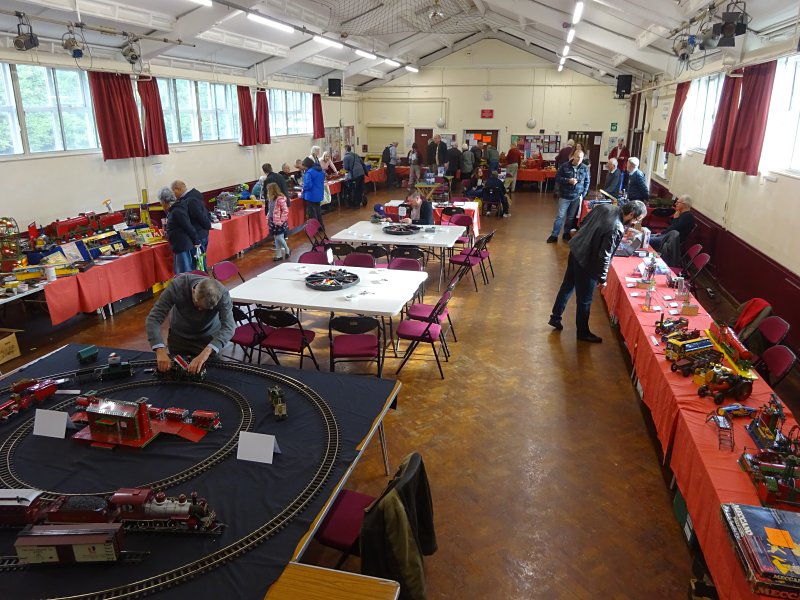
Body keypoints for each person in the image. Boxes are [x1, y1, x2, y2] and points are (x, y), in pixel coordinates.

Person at [548, 200, 648, 343]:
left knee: (567, 286)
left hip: (576, 249)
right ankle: (583, 332)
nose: (635, 223)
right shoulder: (617, 227)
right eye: (637, 219)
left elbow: (584, 223)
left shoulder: (605, 207)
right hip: (587, 262)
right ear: (631, 214)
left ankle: (555, 317)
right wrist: (603, 278)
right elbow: (604, 255)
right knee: (585, 300)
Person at [146, 273, 234, 374]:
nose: (199, 310)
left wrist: (206, 353)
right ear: (193, 291)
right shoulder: (178, 286)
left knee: (213, 375)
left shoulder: (223, 294)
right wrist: (160, 350)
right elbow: (154, 318)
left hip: (207, 340)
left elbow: (229, 327)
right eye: (197, 305)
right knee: (177, 374)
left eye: (205, 309)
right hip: (178, 339)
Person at [548, 150, 589, 243]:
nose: (579, 159)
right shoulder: (564, 166)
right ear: (573, 156)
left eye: (581, 158)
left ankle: (566, 234)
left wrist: (583, 194)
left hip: (577, 196)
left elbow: (587, 181)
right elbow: (557, 178)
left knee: (570, 217)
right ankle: (554, 235)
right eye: (578, 157)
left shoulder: (584, 168)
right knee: (560, 216)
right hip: (565, 196)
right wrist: (568, 180)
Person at [158, 187, 198, 276]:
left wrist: (196, 241)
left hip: (182, 245)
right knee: (182, 272)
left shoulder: (176, 211)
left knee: (184, 273)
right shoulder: (175, 209)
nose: (161, 204)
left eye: (161, 202)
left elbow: (188, 226)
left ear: (164, 201)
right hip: (180, 245)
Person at [171, 180, 210, 258]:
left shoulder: (190, 200)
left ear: (178, 189)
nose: (173, 194)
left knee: (199, 261)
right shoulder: (194, 195)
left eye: (173, 191)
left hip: (198, 235)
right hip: (202, 233)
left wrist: (208, 226)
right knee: (201, 259)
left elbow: (200, 216)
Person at [267, 182, 291, 261]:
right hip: (272, 220)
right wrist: (268, 217)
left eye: (269, 190)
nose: (267, 192)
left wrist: (282, 220)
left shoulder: (280, 199)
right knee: (276, 238)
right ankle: (279, 255)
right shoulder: (271, 199)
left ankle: (287, 249)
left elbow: (285, 210)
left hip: (279, 221)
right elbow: (270, 210)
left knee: (279, 237)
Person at [302, 156, 324, 225]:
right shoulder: (320, 170)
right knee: (318, 212)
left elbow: (308, 185)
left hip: (311, 195)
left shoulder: (309, 172)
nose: (303, 168)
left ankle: (315, 228)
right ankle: (321, 227)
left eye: (304, 166)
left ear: (307, 165)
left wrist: (303, 187)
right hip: (319, 194)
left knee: (312, 214)